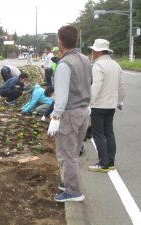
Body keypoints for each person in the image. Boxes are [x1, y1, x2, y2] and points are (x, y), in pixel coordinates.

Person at [47, 25, 92, 202]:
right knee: (73, 151)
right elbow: (89, 84)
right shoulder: (84, 59)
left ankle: (73, 192)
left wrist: (55, 117)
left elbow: (62, 96)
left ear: (60, 41)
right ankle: (69, 182)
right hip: (83, 112)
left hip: (70, 114)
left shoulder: (65, 64)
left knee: (67, 154)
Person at [88, 39, 124, 172]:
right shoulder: (116, 65)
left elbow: (96, 85)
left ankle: (103, 163)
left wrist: (90, 102)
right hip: (111, 105)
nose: (92, 53)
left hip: (99, 105)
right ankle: (111, 161)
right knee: (109, 132)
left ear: (98, 52)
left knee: (98, 134)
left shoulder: (98, 65)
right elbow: (121, 85)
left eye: (93, 51)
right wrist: (120, 101)